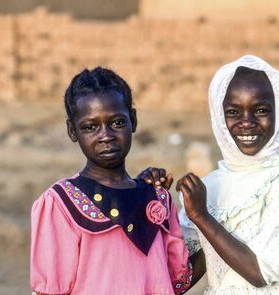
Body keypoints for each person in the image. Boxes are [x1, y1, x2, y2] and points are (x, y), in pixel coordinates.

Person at [139, 55, 279, 294]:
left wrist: (202, 216)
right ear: (219, 116)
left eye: (261, 110)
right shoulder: (211, 186)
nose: (247, 122)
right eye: (234, 112)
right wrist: (151, 201)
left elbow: (262, 273)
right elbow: (181, 273)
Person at [30, 67, 197, 295]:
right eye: (90, 127)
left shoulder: (158, 198)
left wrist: (209, 222)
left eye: (117, 122)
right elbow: (51, 290)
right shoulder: (60, 203)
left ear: (133, 120)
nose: (106, 135)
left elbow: (176, 282)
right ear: (72, 131)